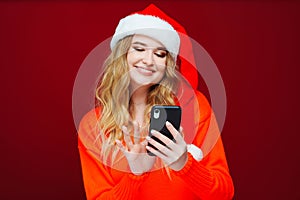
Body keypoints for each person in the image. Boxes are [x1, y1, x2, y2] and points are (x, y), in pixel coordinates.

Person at [77, 4, 234, 200]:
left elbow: (224, 193)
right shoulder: (92, 125)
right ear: (122, 54)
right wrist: (136, 175)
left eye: (160, 54)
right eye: (139, 48)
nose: (149, 60)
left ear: (166, 64)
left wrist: (184, 164)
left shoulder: (194, 107)